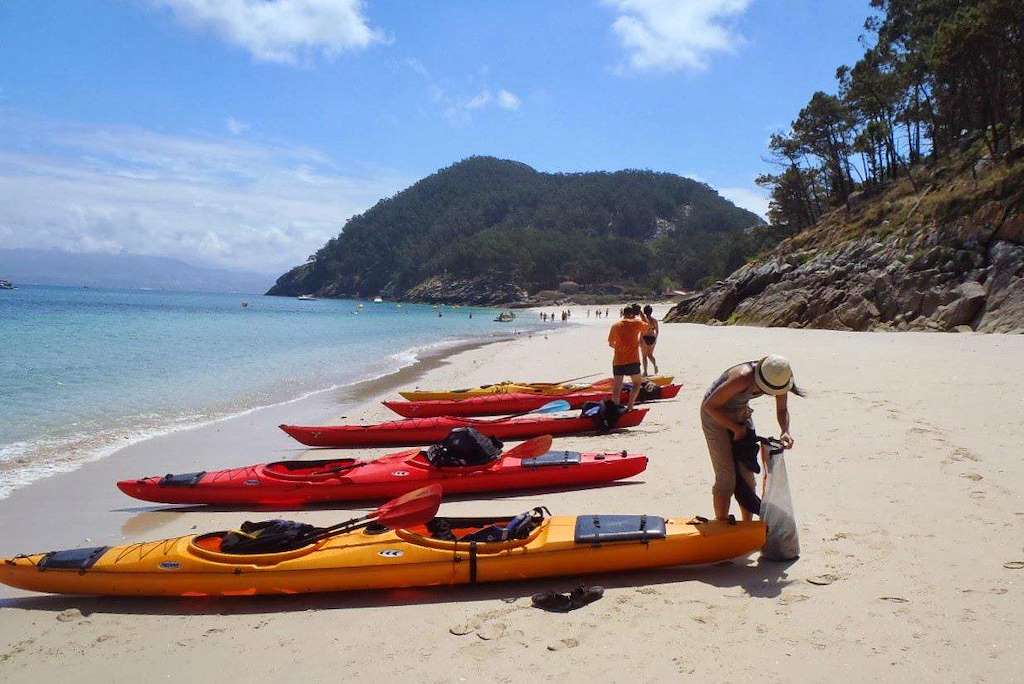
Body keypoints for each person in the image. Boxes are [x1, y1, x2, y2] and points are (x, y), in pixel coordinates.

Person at [700, 355, 804, 522]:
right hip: (714, 416)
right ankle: (721, 522)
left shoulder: (780, 377)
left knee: (747, 473)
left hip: (740, 412)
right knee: (726, 477)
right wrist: (736, 429)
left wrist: (785, 430)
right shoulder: (742, 377)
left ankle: (747, 524)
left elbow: (782, 410)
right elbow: (710, 406)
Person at [607, 303, 647, 411]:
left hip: (618, 360)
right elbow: (647, 327)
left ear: (623, 313)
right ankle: (630, 406)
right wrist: (641, 314)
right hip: (633, 360)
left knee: (617, 387)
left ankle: (615, 409)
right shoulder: (636, 323)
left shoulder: (615, 325)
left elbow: (611, 343)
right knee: (637, 383)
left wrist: (620, 348)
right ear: (633, 314)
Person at [640, 304, 659, 376]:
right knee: (650, 355)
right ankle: (655, 365)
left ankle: (645, 372)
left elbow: (642, 331)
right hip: (653, 338)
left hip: (645, 338)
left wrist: (640, 341)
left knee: (644, 356)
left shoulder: (643, 319)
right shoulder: (655, 321)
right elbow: (657, 331)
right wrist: (655, 340)